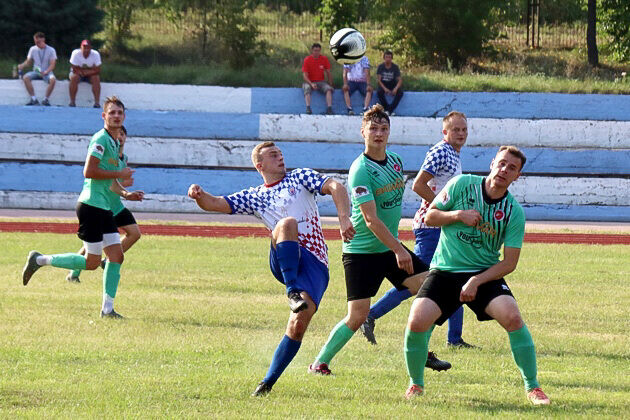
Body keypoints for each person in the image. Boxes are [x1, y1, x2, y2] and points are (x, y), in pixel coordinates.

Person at [187, 141, 355, 396]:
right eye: (273, 155)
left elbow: (336, 186)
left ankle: (267, 383)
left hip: (314, 263)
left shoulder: (300, 177)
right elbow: (216, 203)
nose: (280, 157)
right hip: (284, 258)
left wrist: (344, 217)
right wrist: (199, 196)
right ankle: (292, 291)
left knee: (299, 324)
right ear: (259, 165)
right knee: (286, 223)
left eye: (280, 153)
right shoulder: (255, 195)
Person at [308, 104, 450, 376]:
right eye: (373, 128)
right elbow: (371, 220)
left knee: (432, 289)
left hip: (387, 246)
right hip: (361, 252)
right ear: (362, 131)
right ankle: (319, 363)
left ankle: (422, 351)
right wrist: (399, 249)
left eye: (384, 129)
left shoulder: (396, 161)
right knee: (357, 316)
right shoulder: (360, 170)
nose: (379, 133)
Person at [403, 146, 551, 406]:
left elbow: (509, 262)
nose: (505, 170)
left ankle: (533, 387)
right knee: (416, 321)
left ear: (517, 176)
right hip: (445, 271)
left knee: (513, 317)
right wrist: (459, 215)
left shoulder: (513, 211)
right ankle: (415, 383)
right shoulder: (462, 184)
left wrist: (477, 280)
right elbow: (431, 216)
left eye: (512, 168)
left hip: (484, 274)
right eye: (502, 163)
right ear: (493, 163)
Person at [360, 111, 477, 348]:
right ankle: (370, 314)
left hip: (443, 224)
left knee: (454, 274)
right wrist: (442, 208)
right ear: (445, 132)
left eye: (464, 130)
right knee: (420, 280)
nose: (461, 134)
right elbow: (419, 184)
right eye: (456, 130)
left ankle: (455, 338)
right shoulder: (441, 151)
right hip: (430, 225)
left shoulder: (453, 153)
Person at [22, 96, 143, 318]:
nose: (116, 116)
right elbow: (88, 172)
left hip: (104, 207)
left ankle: (108, 310)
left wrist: (127, 194)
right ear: (104, 116)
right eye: (112, 112)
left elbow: (110, 182)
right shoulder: (100, 139)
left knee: (116, 256)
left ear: (124, 116)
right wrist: (119, 173)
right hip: (90, 206)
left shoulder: (115, 142)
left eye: (119, 113)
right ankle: (39, 259)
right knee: (91, 262)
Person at [66, 125, 144, 283]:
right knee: (94, 243)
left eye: (123, 134)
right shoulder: (106, 150)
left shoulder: (123, 158)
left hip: (116, 204)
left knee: (134, 233)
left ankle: (108, 260)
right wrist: (123, 182)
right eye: (119, 133)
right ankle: (73, 272)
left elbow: (116, 181)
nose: (120, 137)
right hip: (103, 204)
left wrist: (126, 190)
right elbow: (102, 176)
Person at [17, 32, 57, 106]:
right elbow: (28, 62)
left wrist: (46, 72)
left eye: (38, 42)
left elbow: (52, 65)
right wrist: (22, 65)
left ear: (43, 40)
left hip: (47, 71)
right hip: (36, 71)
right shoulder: (32, 49)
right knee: (25, 77)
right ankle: (33, 99)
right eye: (35, 41)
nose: (37, 43)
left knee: (53, 80)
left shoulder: (51, 50)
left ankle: (45, 99)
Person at [302, 43, 334, 115]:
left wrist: (331, 84)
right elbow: (305, 75)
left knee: (328, 89)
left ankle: (329, 108)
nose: (316, 52)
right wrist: (311, 84)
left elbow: (328, 72)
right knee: (306, 89)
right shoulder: (307, 60)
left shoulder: (324, 59)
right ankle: (308, 108)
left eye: (318, 51)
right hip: (309, 81)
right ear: (312, 51)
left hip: (321, 81)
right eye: (315, 51)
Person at [69, 39, 102, 108]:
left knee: (96, 78)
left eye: (88, 47)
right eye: (84, 47)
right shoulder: (75, 53)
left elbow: (98, 70)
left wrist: (85, 72)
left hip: (90, 75)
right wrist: (87, 71)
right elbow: (74, 68)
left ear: (90, 48)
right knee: (73, 78)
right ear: (81, 47)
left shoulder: (95, 54)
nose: (86, 49)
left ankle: (97, 103)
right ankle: (72, 102)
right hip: (78, 73)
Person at [376, 50, 403, 116]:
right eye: (386, 57)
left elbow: (399, 80)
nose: (388, 59)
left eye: (389, 57)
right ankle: (388, 109)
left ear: (391, 58)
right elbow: (379, 80)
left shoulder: (395, 67)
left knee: (400, 93)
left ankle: (389, 110)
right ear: (384, 58)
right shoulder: (381, 67)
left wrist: (395, 89)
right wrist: (385, 89)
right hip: (384, 83)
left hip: (392, 83)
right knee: (379, 92)